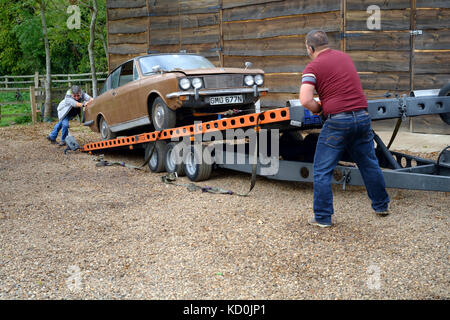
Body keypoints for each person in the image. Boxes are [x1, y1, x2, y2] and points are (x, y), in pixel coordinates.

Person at [299, 30, 390, 228]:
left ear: (310, 48)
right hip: (363, 117)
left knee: (322, 170)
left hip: (338, 122)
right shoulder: (344, 57)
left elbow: (305, 99)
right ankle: (381, 206)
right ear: (327, 44)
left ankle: (322, 217)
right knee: (369, 164)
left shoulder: (312, 66)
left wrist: (319, 109)